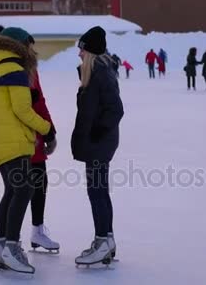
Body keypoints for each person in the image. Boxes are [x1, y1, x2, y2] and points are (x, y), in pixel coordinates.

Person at [0, 27, 54, 274]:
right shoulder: (15, 70)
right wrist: (48, 130)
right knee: (24, 190)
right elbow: (23, 110)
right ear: (20, 46)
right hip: (11, 140)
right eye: (30, 46)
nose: (33, 51)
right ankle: (11, 248)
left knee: (13, 191)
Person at [72, 26, 124, 266]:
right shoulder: (93, 72)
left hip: (99, 143)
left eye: (81, 49)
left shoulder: (101, 73)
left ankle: (103, 241)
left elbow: (116, 109)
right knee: (100, 191)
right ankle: (106, 240)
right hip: (98, 143)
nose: (79, 54)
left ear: (90, 51)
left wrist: (97, 131)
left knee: (96, 192)